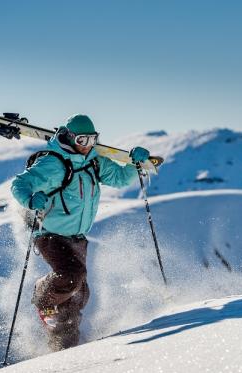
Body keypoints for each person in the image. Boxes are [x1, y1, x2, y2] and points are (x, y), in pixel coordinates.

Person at [11, 114, 150, 351]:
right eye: (82, 139)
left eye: (92, 139)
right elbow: (19, 184)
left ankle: (64, 346)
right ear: (70, 137)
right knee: (71, 275)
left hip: (78, 237)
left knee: (79, 294)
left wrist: (132, 164)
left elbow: (117, 178)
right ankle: (43, 296)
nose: (87, 145)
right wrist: (31, 199)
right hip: (51, 235)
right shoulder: (53, 163)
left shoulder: (95, 162)